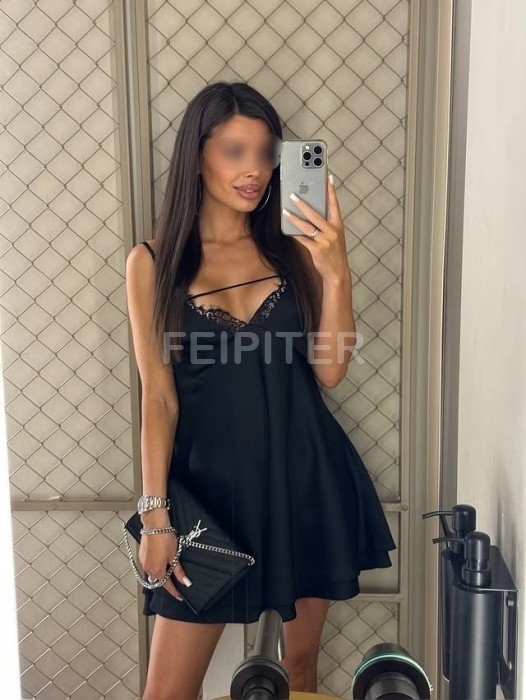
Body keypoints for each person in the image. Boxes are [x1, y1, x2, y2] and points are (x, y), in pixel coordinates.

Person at [125, 81, 396, 700]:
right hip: (210, 499)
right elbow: (159, 396)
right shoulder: (153, 262)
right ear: (197, 155)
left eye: (266, 153)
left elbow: (330, 370)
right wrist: (155, 512)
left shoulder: (296, 251)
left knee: (296, 676)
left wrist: (336, 270)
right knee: (165, 693)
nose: (255, 170)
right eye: (234, 152)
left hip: (305, 482)